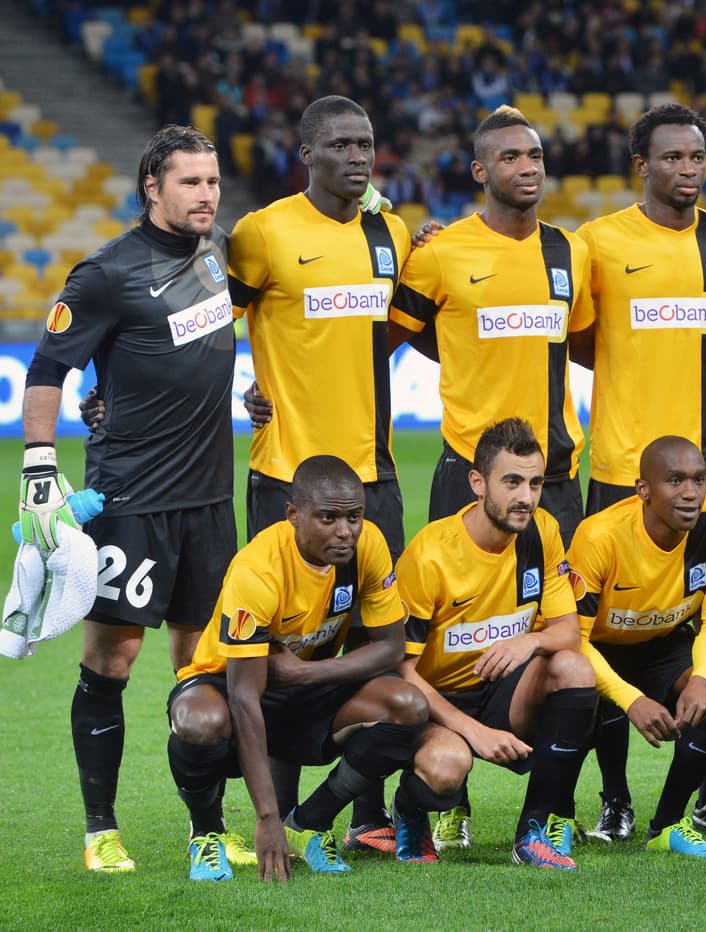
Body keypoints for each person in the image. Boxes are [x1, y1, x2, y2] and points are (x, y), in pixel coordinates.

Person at [20, 125, 239, 873]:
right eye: (190, 182)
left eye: (212, 182)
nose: (206, 194)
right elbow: (48, 366)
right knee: (112, 659)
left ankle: (205, 829)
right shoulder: (107, 273)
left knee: (202, 665)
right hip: (131, 500)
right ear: (154, 187)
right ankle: (99, 831)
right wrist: (40, 469)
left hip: (209, 501)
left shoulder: (217, 254)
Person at [227, 94, 414, 852]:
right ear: (307, 154)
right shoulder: (262, 234)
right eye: (339, 144)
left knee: (379, 640)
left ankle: (362, 819)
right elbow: (211, 330)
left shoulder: (391, 233)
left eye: (366, 142)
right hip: (286, 479)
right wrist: (248, 383)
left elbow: (394, 328)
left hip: (373, 476)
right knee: (287, 654)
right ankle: (275, 817)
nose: (358, 155)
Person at [568, 103, 706, 839]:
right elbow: (576, 336)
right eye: (673, 158)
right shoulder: (598, 243)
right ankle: (614, 796)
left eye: (698, 157)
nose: (688, 170)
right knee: (604, 634)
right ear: (642, 165)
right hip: (621, 466)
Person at [169, 455, 431, 881]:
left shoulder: (368, 546)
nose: (345, 531)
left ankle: (308, 823)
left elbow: (390, 648)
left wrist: (307, 675)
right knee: (198, 720)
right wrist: (266, 815)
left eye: (354, 516)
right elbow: (243, 696)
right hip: (228, 683)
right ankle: (206, 832)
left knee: (407, 704)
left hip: (306, 681)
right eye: (328, 518)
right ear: (294, 515)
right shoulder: (257, 570)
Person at [394, 418, 597, 870]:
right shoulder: (430, 554)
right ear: (477, 483)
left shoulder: (542, 531)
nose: (526, 497)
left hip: (500, 691)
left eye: (534, 482)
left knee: (574, 669)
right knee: (448, 768)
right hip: (433, 701)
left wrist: (530, 642)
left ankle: (531, 832)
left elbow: (568, 630)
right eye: (512, 482)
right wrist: (474, 733)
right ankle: (409, 808)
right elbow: (401, 672)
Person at [389, 105, 591, 543]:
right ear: (480, 171)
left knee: (563, 610)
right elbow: (384, 338)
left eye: (535, 156)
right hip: (471, 468)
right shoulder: (441, 252)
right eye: (511, 157)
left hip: (554, 472)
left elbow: (580, 340)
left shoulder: (571, 252)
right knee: (460, 609)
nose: (528, 167)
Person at [568, 436, 706, 859]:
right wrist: (631, 700)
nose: (691, 492)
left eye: (699, 480)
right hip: (600, 646)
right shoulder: (599, 537)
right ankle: (606, 806)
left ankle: (668, 823)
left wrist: (699, 681)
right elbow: (574, 639)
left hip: (664, 644)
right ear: (643, 489)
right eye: (675, 480)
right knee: (578, 690)